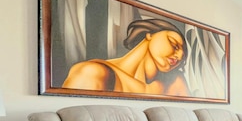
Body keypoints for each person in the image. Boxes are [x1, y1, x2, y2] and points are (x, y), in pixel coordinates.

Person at [62, 19, 190, 96]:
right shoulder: (93, 72)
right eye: (174, 44)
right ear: (149, 35)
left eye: (183, 57)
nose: (179, 56)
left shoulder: (176, 81)